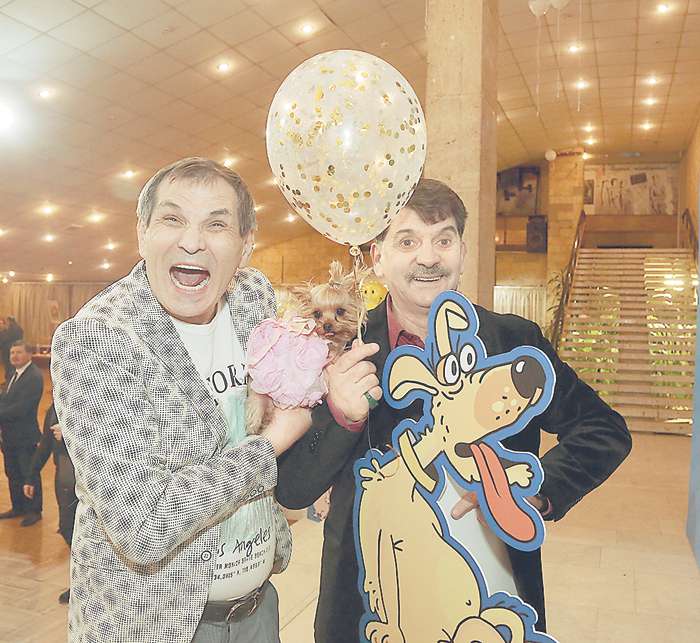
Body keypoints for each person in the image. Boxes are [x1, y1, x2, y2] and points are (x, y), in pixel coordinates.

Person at [276, 178, 632, 642]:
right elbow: (294, 489)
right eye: (407, 241)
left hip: (485, 595)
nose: (428, 257)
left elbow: (603, 429)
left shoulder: (514, 342)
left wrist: (533, 493)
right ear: (378, 258)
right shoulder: (339, 349)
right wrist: (342, 416)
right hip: (371, 602)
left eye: (443, 240)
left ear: (462, 252)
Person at [50, 157, 312, 643]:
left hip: (258, 610)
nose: (192, 242)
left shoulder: (252, 296)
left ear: (245, 244)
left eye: (217, 224)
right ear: (142, 234)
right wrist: (271, 445)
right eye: (172, 219)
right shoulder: (97, 339)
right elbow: (142, 525)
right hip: (156, 625)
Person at [23, 403, 77, 603]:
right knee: (66, 528)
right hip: (63, 478)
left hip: (84, 481)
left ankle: (82, 584)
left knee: (80, 533)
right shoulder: (53, 408)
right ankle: (81, 580)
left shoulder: (86, 404)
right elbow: (45, 444)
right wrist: (31, 476)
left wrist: (69, 435)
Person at [0, 340, 44, 526]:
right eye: (12, 353)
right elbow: (5, 398)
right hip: (8, 435)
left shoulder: (34, 376)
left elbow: (22, 408)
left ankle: (34, 510)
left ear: (29, 354)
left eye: (18, 352)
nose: (14, 356)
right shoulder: (13, 373)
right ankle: (18, 506)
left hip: (25, 435)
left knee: (28, 472)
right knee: (13, 472)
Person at [0, 316, 23, 383]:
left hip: (7, 350)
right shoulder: (19, 328)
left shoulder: (10, 329)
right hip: (15, 350)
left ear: (10, 321)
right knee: (13, 366)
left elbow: (4, 339)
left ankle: (9, 381)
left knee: (9, 366)